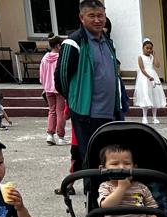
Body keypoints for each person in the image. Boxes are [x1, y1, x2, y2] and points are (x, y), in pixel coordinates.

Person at [56, 0, 125, 173]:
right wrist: (76, 100)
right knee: (92, 161)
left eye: (100, 15)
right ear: (81, 17)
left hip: (110, 112)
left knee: (110, 159)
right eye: (92, 16)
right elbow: (61, 78)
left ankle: (108, 197)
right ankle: (93, 196)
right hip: (87, 114)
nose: (97, 20)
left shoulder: (107, 41)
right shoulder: (73, 42)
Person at [40, 36, 69, 145]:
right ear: (58, 45)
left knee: (51, 111)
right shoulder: (60, 58)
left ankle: (50, 135)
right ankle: (61, 137)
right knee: (60, 112)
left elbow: (41, 75)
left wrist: (44, 85)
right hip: (58, 88)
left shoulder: (44, 58)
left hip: (48, 88)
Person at [133, 39, 166, 124]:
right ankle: (144, 117)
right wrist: (148, 77)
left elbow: (157, 65)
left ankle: (155, 117)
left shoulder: (151, 57)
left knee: (154, 95)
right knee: (145, 95)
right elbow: (142, 69)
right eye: (147, 48)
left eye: (150, 48)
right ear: (143, 48)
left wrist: (154, 55)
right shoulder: (140, 57)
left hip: (153, 75)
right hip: (144, 77)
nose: (149, 50)